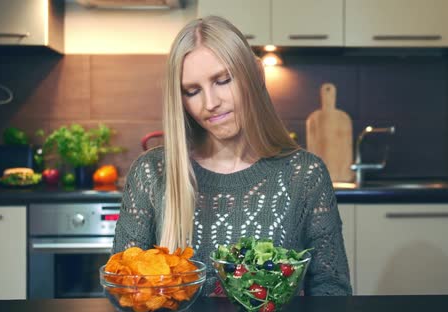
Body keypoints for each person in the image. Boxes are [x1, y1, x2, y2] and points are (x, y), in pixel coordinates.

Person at [112, 15, 352, 296]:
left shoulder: (305, 175)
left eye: (223, 80)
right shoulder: (151, 173)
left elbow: (332, 288)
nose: (210, 104)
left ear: (255, 75)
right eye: (192, 91)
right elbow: (122, 287)